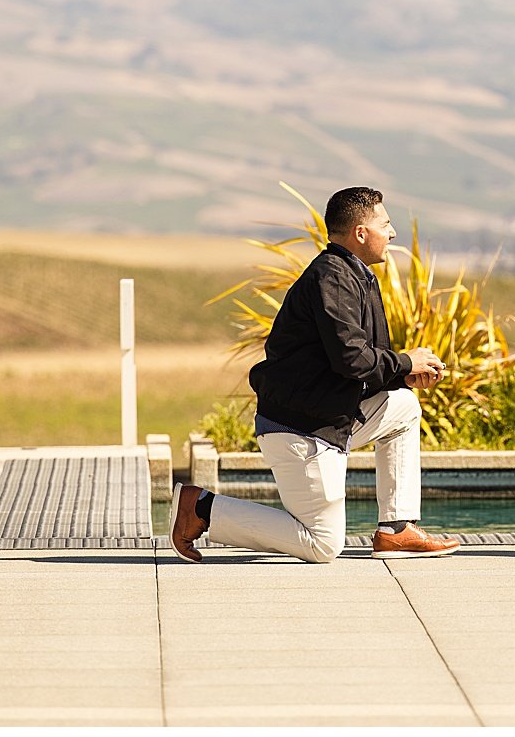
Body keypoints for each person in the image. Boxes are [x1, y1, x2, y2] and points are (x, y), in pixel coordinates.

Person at [168, 186, 461, 563]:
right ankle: (201, 507)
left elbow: (358, 363)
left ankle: (396, 530)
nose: (392, 234)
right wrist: (405, 362)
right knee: (322, 545)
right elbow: (350, 359)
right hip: (299, 429)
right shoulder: (333, 278)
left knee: (403, 407)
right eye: (385, 225)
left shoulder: (356, 276)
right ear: (360, 232)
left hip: (328, 416)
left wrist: (402, 377)